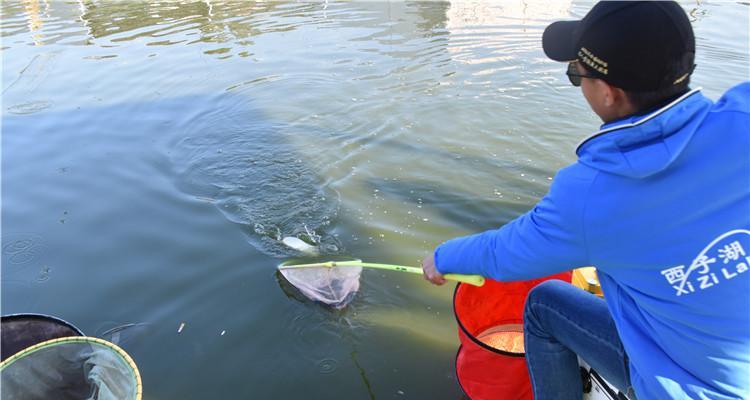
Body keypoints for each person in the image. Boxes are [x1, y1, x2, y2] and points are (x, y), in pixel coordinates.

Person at [421, 2, 749, 399]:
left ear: (609, 94)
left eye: (577, 73)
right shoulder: (742, 114)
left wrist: (441, 259)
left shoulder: (594, 195)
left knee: (544, 302)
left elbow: (503, 254)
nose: (578, 80)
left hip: (687, 388)